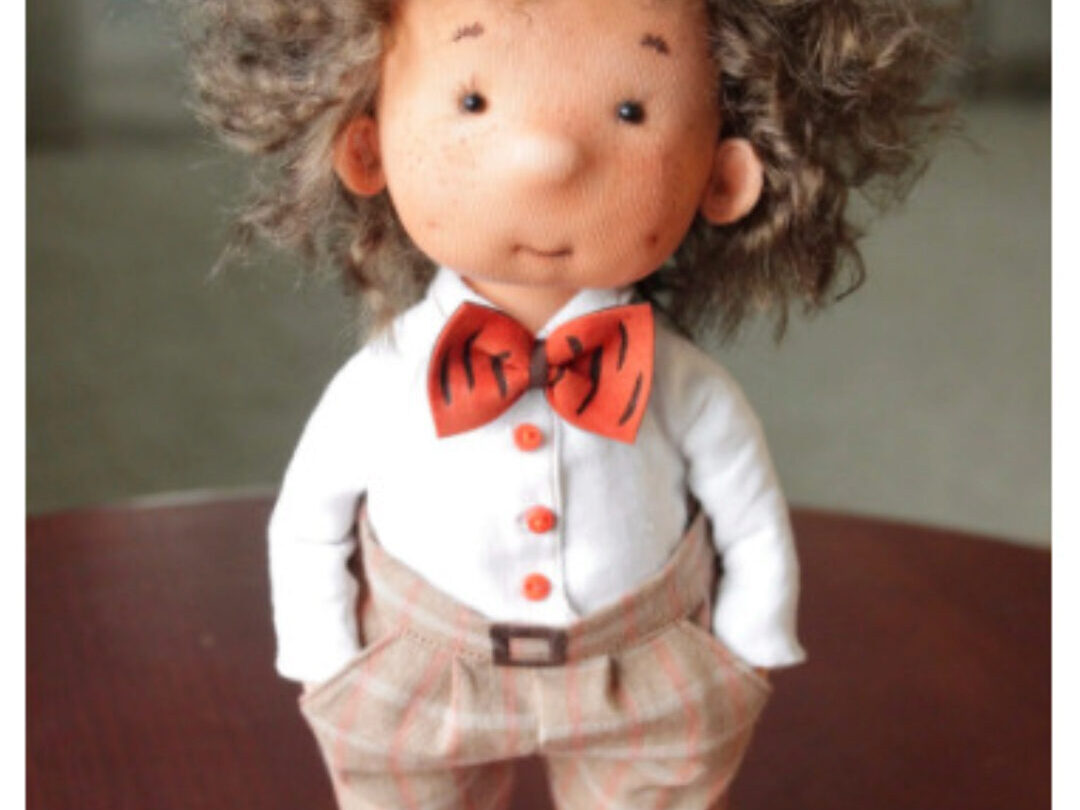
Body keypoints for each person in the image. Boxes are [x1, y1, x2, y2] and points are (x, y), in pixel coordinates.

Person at [185, 0, 962, 807]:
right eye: (473, 100)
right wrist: (323, 655)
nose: (549, 153)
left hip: (645, 670)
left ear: (725, 177)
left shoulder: (681, 385)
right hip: (417, 666)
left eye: (630, 111)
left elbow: (752, 518)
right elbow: (308, 520)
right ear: (366, 148)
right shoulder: (383, 380)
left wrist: (748, 642)